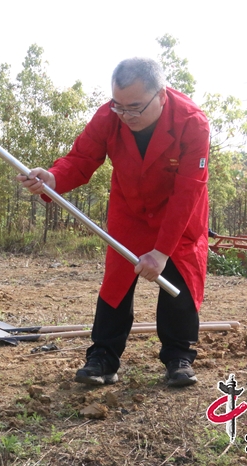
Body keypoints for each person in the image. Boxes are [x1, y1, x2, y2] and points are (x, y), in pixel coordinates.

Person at [17, 58, 209, 388]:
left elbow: (188, 191)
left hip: (178, 213)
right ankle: (103, 357)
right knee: (116, 283)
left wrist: (162, 253)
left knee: (180, 279)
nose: (126, 116)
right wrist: (52, 177)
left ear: (161, 96)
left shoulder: (192, 123)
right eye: (119, 106)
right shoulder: (110, 115)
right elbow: (81, 159)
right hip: (130, 209)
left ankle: (178, 357)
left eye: (134, 107)